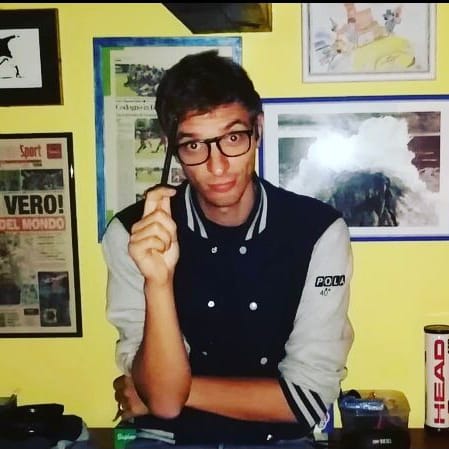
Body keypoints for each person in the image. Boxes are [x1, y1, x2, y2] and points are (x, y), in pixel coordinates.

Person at [102, 50, 354, 448]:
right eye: (194, 146)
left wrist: (170, 390)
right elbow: (163, 407)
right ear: (171, 147)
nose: (217, 166)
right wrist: (158, 281)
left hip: (278, 442)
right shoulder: (133, 234)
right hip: (166, 440)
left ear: (258, 129)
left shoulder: (318, 231)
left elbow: (307, 400)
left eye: (233, 138)